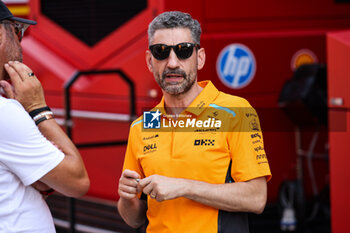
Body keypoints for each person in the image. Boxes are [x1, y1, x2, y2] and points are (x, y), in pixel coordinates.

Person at [117, 11, 271, 233]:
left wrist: (183, 186)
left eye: (183, 51)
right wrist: (126, 198)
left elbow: (256, 199)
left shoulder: (236, 112)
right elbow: (134, 219)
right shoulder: (141, 126)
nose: (172, 63)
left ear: (200, 58)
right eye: (161, 52)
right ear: (150, 61)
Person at [0, 2, 90, 232]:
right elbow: (77, 182)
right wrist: (38, 109)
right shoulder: (5, 113)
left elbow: (39, 178)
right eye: (18, 31)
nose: (21, 43)